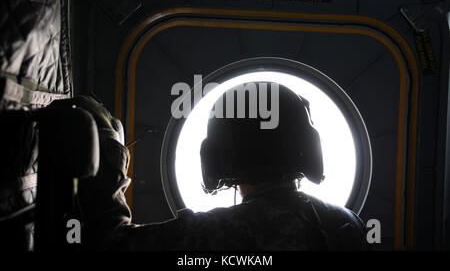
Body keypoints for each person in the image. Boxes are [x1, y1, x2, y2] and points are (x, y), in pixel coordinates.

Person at [57, 83, 367, 251]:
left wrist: (111, 151)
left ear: (219, 153)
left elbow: (111, 246)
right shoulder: (348, 222)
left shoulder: (227, 231)